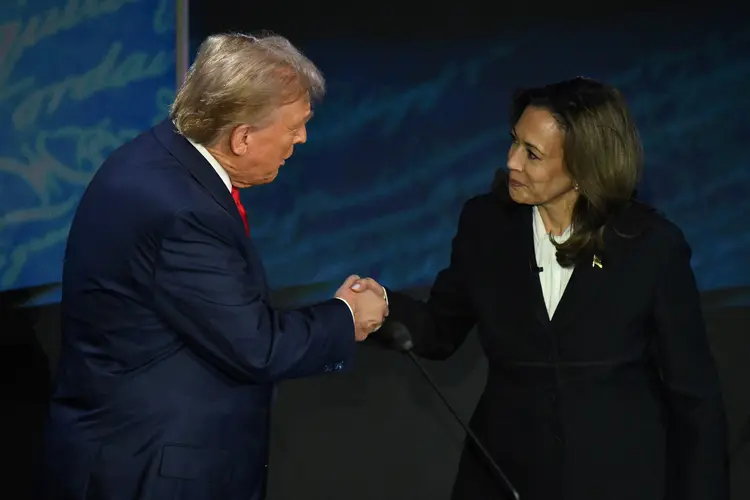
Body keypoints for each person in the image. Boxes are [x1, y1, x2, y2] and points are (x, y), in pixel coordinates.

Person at [36, 33, 387, 500]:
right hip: (153, 471)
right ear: (242, 137)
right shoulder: (182, 211)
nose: (301, 138)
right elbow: (256, 347)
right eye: (295, 126)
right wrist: (347, 315)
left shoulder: (158, 156)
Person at [354, 77, 729, 500]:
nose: (512, 162)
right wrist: (383, 306)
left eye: (532, 154)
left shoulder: (651, 246)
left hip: (620, 478)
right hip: (504, 474)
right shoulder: (487, 225)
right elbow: (441, 328)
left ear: (584, 167)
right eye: (514, 143)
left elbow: (695, 396)